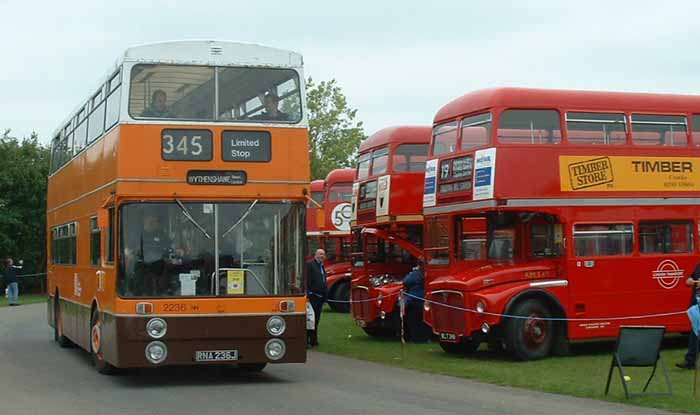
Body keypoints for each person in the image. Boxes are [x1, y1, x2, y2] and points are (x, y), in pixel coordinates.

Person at [124, 211, 180, 296]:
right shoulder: (137, 235)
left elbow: (171, 249)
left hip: (160, 268)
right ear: (144, 220)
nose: (152, 221)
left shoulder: (162, 236)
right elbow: (127, 250)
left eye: (155, 219)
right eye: (149, 218)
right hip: (141, 267)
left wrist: (178, 251)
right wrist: (130, 255)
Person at [677, 263, 700, 369]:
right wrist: (689, 281)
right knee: (695, 332)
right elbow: (691, 278)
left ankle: (690, 360)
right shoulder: (699, 265)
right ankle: (690, 361)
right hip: (696, 304)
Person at [402, 260, 431, 342]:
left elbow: (406, 281)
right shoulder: (425, 274)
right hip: (423, 301)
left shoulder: (416, 274)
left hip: (414, 300)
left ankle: (416, 338)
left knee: (414, 321)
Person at [306, 249, 328, 347]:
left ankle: (314, 340)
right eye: (320, 254)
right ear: (315, 255)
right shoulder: (310, 265)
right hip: (312, 297)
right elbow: (307, 280)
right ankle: (307, 340)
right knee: (310, 319)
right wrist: (309, 294)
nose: (321, 256)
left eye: (323, 254)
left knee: (317, 319)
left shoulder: (322, 266)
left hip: (320, 297)